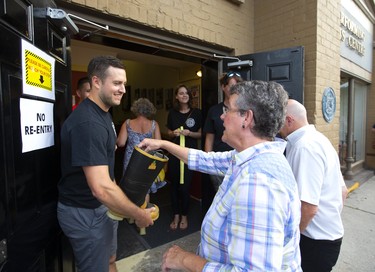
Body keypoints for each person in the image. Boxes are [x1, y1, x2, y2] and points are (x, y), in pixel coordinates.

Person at [139, 80, 302, 271]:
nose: (222, 117)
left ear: (246, 118)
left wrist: (184, 259)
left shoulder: (258, 182)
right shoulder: (247, 157)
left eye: (229, 110)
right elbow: (204, 159)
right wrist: (163, 145)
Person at [57, 56, 154, 272]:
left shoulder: (103, 113)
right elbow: (100, 188)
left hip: (102, 208)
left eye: (124, 84)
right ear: (97, 82)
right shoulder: (88, 123)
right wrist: (138, 214)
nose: (123, 90)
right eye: (117, 83)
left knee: (110, 261)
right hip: (86, 212)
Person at [279, 99, 348, 272]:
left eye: (277, 121)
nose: (275, 127)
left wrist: (290, 242)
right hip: (327, 237)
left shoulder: (304, 147)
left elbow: (308, 208)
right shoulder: (318, 140)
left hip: (313, 241)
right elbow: (343, 191)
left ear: (288, 120)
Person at [116, 98, 165, 207]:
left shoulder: (127, 123)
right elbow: (158, 144)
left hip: (131, 160)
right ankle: (144, 215)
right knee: (145, 188)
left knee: (130, 187)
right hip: (147, 160)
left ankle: (132, 216)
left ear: (136, 110)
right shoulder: (153, 124)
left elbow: (121, 143)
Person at [166, 84, 202, 230]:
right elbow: (167, 132)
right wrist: (172, 133)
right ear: (176, 96)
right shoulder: (172, 113)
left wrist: (190, 134)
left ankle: (184, 215)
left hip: (189, 155)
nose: (184, 95)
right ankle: (176, 215)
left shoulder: (197, 113)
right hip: (175, 154)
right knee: (174, 186)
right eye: (181, 93)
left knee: (185, 186)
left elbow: (201, 134)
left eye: (186, 93)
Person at [203, 71, 243, 191]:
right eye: (231, 86)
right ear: (223, 87)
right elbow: (209, 138)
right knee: (221, 195)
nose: (235, 89)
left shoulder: (245, 110)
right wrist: (208, 162)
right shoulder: (214, 111)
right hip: (219, 162)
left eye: (238, 86)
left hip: (239, 162)